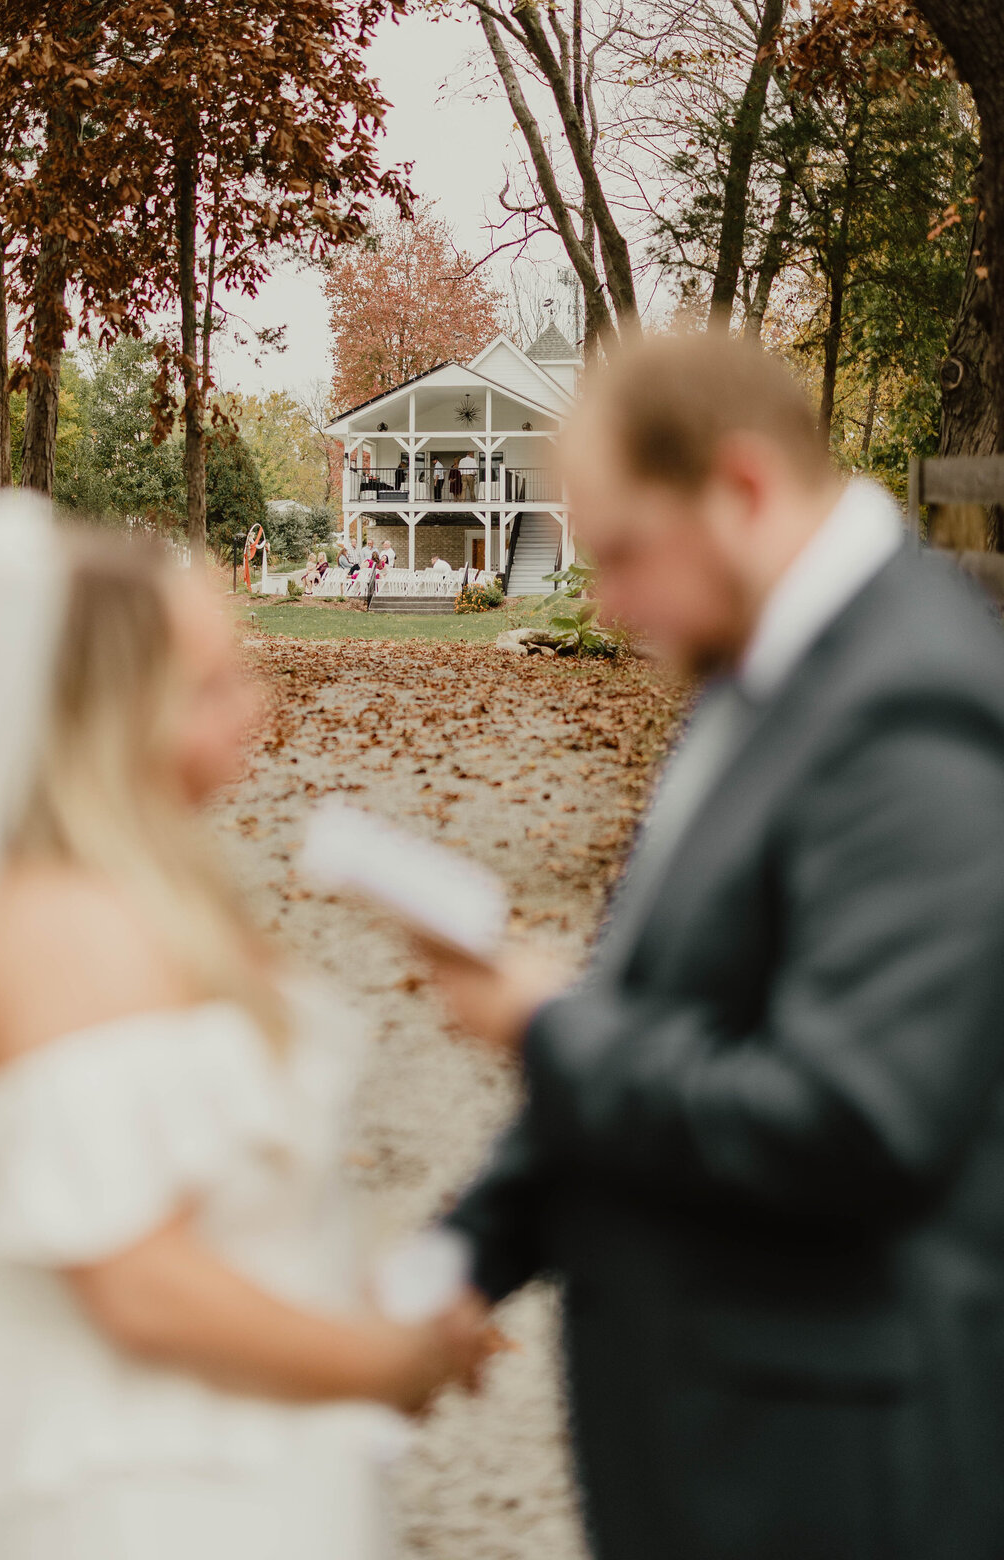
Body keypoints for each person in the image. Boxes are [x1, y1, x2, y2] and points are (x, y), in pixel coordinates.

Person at [0, 495, 491, 1560]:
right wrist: (379, 1359)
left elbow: (212, 1197)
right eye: (212, 685)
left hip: (227, 1452)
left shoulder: (150, 889)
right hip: (127, 1484)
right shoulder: (62, 929)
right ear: (109, 709)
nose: (254, 707)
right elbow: (142, 1286)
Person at [425, 333, 1004, 1560]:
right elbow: (655, 999)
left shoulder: (913, 699)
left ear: (740, 489)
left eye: (625, 554)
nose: (611, 605)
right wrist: (468, 1253)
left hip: (835, 1484)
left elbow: (857, 1114)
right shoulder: (757, 671)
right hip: (715, 1459)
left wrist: (543, 1024)